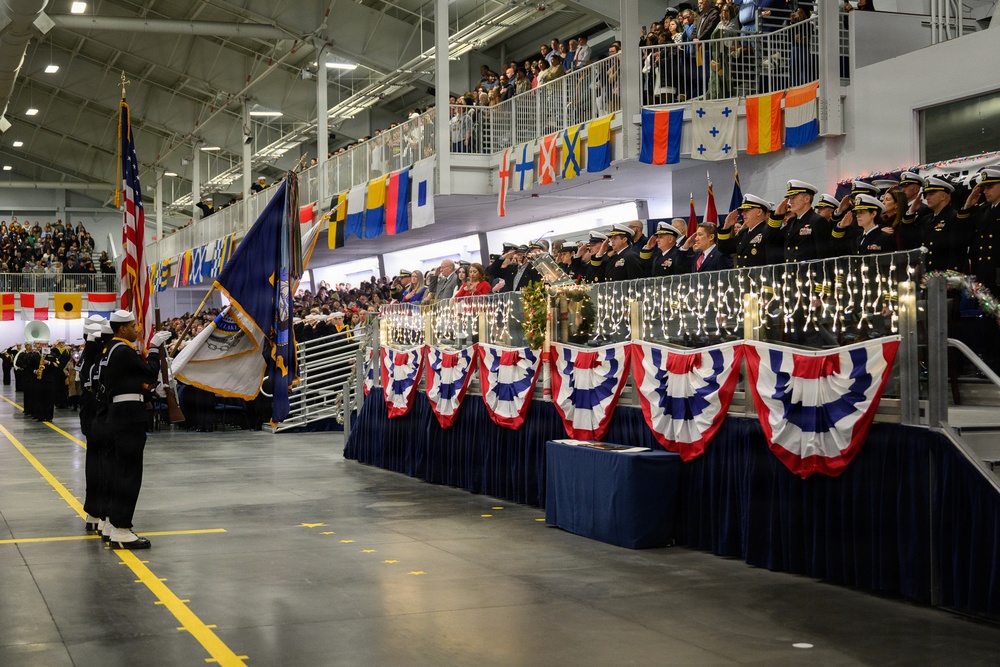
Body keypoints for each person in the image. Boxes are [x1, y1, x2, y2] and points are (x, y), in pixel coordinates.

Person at [97, 310, 170, 549]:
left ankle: (111, 522)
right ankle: (122, 529)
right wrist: (155, 348)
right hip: (128, 417)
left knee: (118, 472)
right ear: (122, 330)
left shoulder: (110, 350)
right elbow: (148, 371)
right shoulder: (123, 350)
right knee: (129, 474)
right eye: (133, 325)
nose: (137, 328)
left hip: (118, 414)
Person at [915, 176, 968, 273]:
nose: (927, 198)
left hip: (944, 275)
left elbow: (956, 250)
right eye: (926, 194)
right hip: (929, 274)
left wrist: (951, 275)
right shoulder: (927, 219)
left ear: (943, 196)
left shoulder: (954, 217)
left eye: (931, 194)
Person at [718, 194, 780, 267]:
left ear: (759, 212)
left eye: (747, 210)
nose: (743, 213)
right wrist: (726, 226)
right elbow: (723, 248)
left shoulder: (767, 230)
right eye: (743, 211)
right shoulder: (743, 233)